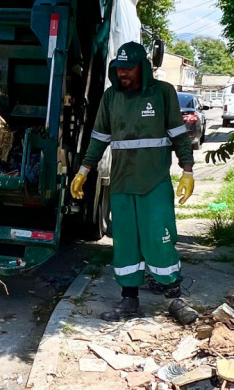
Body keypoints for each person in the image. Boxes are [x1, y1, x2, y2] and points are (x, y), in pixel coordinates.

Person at [70, 42, 198, 322]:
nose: (123, 74)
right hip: (122, 184)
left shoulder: (163, 93)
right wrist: (83, 170)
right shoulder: (110, 98)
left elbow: (179, 135)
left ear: (142, 67)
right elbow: (99, 138)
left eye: (128, 69)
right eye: (119, 69)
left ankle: (175, 298)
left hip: (154, 184)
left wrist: (187, 170)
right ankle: (129, 300)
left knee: (159, 240)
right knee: (126, 244)